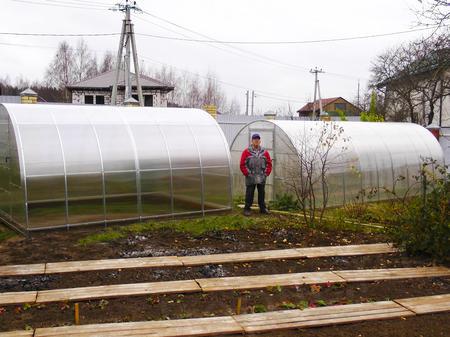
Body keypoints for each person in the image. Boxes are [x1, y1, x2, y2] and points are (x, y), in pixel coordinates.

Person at [240, 133, 272, 216]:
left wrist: (266, 173)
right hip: (250, 176)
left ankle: (262, 208)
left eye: (258, 139)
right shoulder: (246, 152)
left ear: (260, 141)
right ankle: (247, 209)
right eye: (255, 139)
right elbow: (242, 164)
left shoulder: (265, 152)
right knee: (249, 193)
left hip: (261, 176)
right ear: (252, 141)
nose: (256, 141)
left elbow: (269, 163)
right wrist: (247, 173)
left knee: (262, 193)